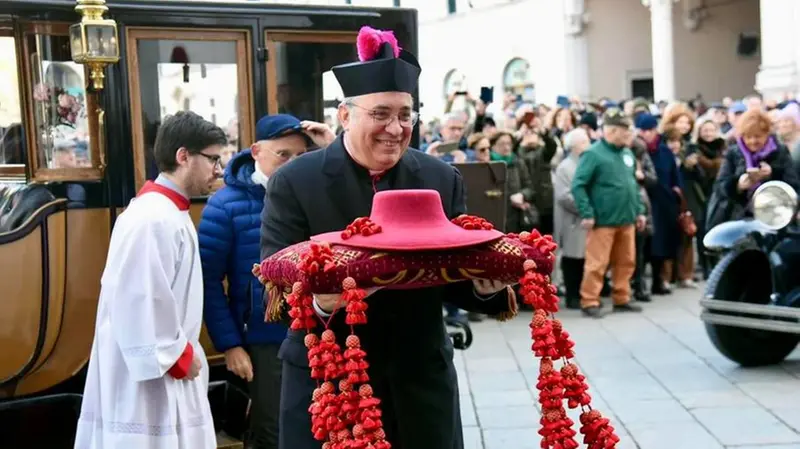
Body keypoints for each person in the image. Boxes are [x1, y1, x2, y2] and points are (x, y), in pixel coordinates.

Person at [260, 26, 515, 449]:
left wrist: (487, 286)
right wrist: (320, 303)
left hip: (420, 386)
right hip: (331, 384)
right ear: (345, 115)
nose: (395, 128)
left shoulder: (438, 177)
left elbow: (455, 278)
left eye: (405, 115)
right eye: (380, 114)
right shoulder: (294, 182)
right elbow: (274, 285)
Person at [74, 111, 226, 449]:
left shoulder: (169, 211)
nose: (219, 169)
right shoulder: (152, 218)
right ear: (183, 156)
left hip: (168, 362)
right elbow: (140, 300)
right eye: (213, 159)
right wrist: (178, 358)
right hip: (149, 376)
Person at [198, 114, 335, 449]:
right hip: (263, 337)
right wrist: (230, 344)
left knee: (324, 425)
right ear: (256, 151)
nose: (291, 164)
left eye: (300, 156)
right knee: (273, 431)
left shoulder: (314, 194)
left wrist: (331, 146)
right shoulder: (225, 205)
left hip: (320, 328)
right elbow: (207, 280)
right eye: (282, 155)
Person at [571, 108, 647, 318]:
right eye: (625, 131)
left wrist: (639, 211)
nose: (629, 135)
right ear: (612, 131)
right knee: (597, 263)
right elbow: (578, 185)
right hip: (603, 220)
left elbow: (633, 184)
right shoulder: (593, 154)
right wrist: (587, 212)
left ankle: (622, 297)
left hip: (627, 218)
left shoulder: (627, 153)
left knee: (626, 261)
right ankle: (589, 300)